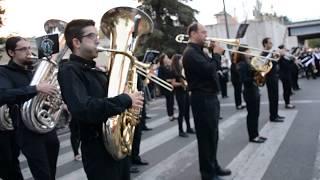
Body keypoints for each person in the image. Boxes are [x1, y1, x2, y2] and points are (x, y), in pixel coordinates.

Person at [57, 19, 144, 180]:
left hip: (116, 144)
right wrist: (125, 99)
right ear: (76, 42)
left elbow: (110, 101)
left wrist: (129, 99)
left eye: (97, 35)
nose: (98, 39)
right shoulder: (69, 71)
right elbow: (83, 109)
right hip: (97, 149)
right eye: (92, 36)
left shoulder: (94, 70)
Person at [0, 36, 60, 180]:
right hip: (27, 132)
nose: (28, 52)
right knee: (43, 175)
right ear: (11, 52)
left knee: (51, 173)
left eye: (29, 48)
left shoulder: (34, 71)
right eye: (23, 49)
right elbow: (3, 95)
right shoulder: (4, 72)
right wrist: (36, 88)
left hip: (47, 129)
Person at [182, 22, 231, 180]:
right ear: (193, 34)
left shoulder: (199, 51)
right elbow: (210, 70)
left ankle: (213, 166)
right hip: (201, 99)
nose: (206, 35)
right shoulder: (190, 53)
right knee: (205, 138)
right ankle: (207, 173)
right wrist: (216, 54)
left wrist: (212, 53)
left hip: (209, 97)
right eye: (203, 32)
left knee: (213, 135)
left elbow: (211, 69)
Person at [236, 46, 267, 143]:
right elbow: (243, 79)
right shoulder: (241, 64)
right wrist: (255, 76)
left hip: (254, 90)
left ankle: (256, 134)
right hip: (249, 92)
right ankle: (253, 136)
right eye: (247, 51)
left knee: (256, 114)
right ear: (243, 53)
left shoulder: (249, 62)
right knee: (252, 115)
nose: (249, 53)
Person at [171, 54, 195, 137]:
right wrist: (182, 84)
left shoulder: (182, 70)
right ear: (177, 61)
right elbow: (173, 83)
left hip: (185, 92)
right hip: (179, 93)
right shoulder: (174, 71)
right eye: (181, 60)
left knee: (187, 111)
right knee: (181, 112)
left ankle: (188, 127)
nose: (182, 61)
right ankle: (180, 130)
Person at [261, 37, 285, 122]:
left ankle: (275, 114)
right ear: (265, 44)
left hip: (274, 77)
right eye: (270, 43)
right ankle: (273, 116)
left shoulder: (270, 53)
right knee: (272, 97)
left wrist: (278, 56)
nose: (272, 44)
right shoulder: (263, 54)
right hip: (270, 78)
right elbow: (265, 65)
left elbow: (275, 63)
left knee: (275, 97)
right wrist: (273, 56)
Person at [157, 53, 176, 121]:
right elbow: (160, 78)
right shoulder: (161, 67)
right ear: (162, 59)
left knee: (172, 101)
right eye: (166, 58)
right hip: (166, 86)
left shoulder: (168, 66)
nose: (167, 59)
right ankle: (170, 115)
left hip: (171, 85)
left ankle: (172, 114)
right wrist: (170, 80)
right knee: (169, 101)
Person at [278, 45, 295, 109]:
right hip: (284, 76)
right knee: (286, 90)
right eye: (284, 49)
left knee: (288, 89)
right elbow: (283, 64)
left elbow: (289, 65)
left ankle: (288, 103)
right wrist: (281, 55)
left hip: (288, 74)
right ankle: (287, 103)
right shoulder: (281, 57)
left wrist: (292, 59)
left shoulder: (286, 57)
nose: (285, 50)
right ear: (281, 49)